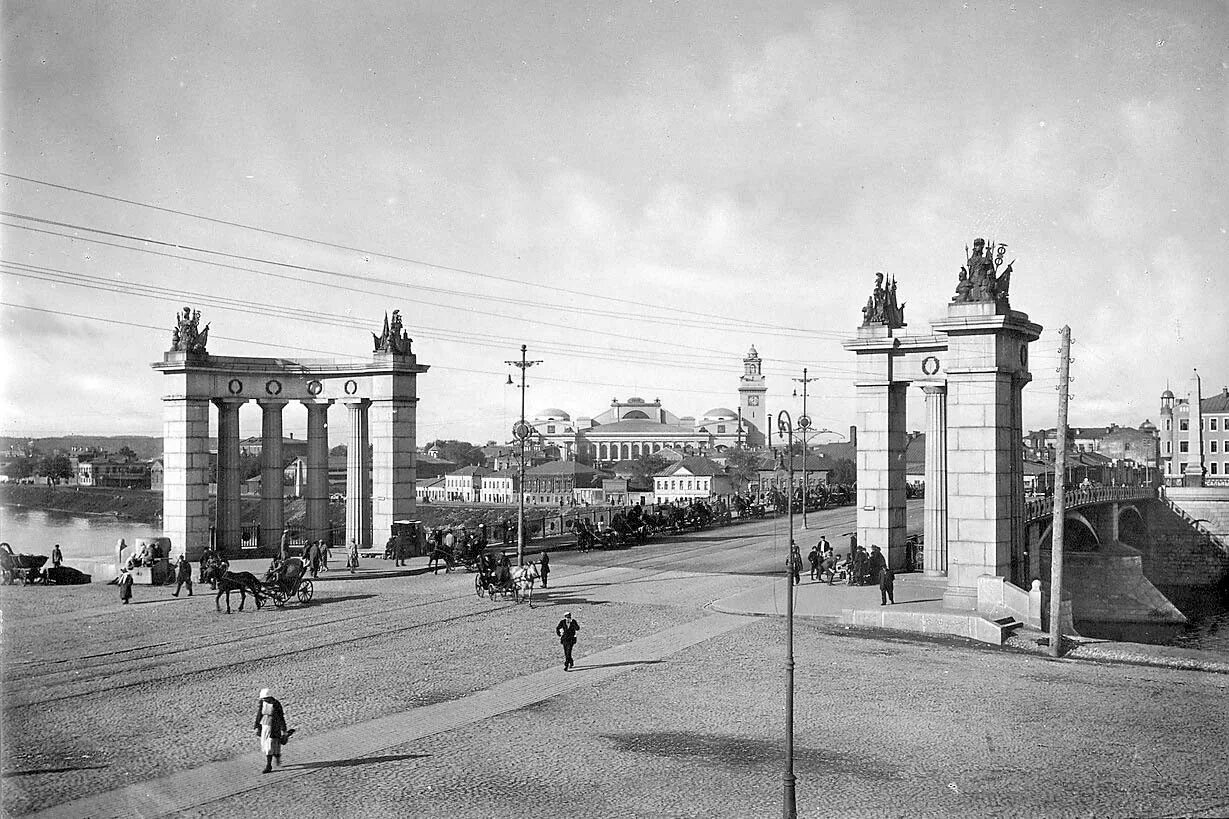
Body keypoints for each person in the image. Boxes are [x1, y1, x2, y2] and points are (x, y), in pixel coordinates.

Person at [253, 688, 295, 773]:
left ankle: (269, 766)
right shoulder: (262, 703)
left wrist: (283, 729)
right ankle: (277, 756)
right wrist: (257, 726)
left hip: (274, 728)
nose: (264, 700)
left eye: (265, 698)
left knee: (270, 746)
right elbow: (259, 714)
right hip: (264, 726)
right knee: (269, 745)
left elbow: (281, 717)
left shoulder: (276, 704)